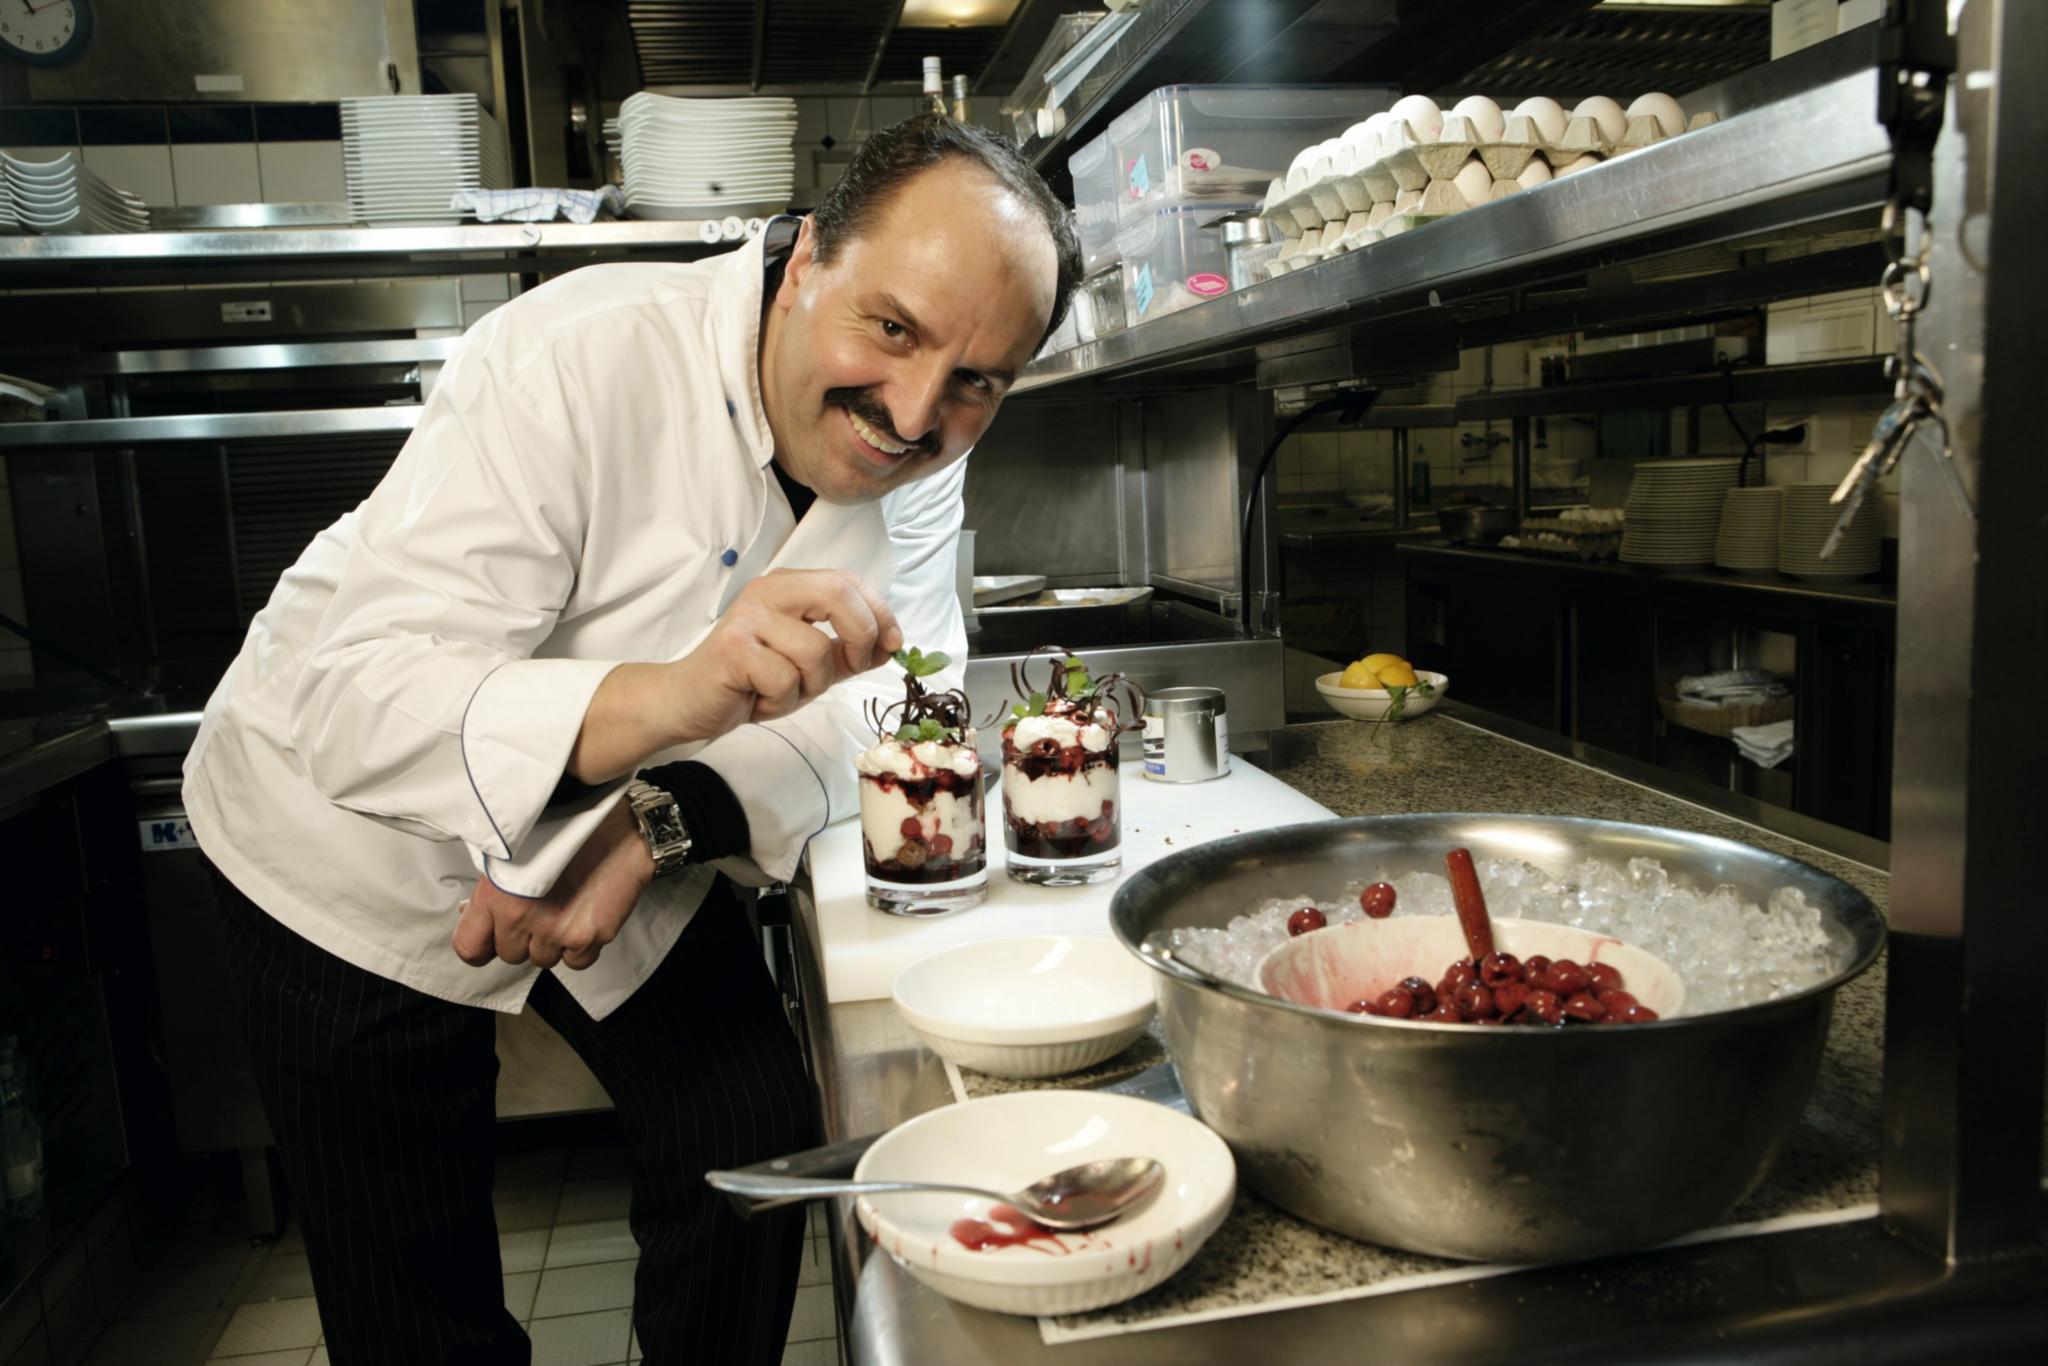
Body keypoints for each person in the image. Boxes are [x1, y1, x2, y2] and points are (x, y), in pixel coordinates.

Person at [182, 114, 1081, 1365]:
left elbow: (892, 705)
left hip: (629, 811)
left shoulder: (919, 451)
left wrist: (654, 826)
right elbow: (363, 700)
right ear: (806, 259)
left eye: (978, 380)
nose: (914, 411)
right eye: (891, 327)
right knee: (413, 1290)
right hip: (342, 844)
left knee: (750, 1126)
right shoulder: (576, 354)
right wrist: (673, 697)